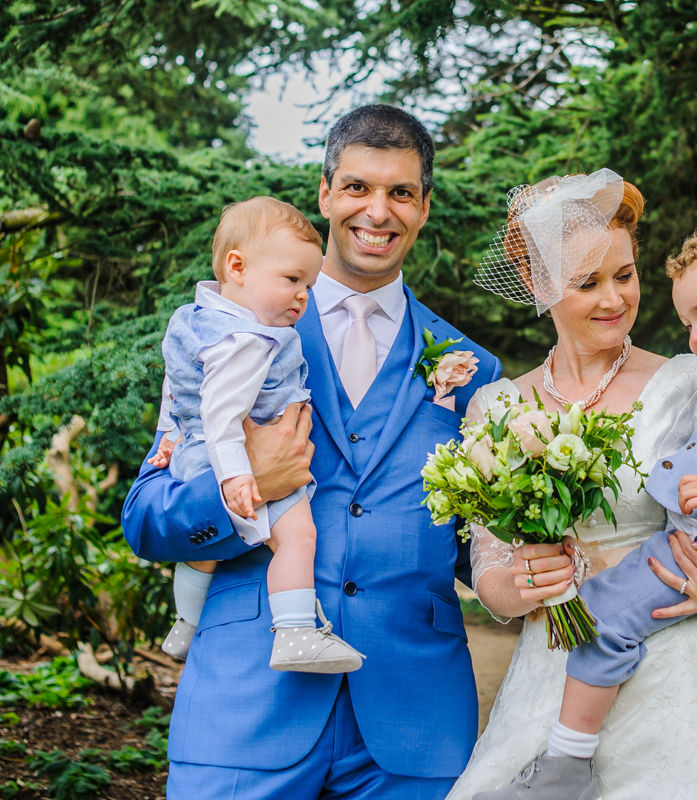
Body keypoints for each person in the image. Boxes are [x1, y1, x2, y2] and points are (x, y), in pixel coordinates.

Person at [122, 105, 502, 799]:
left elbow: (479, 551)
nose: (377, 211)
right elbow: (148, 517)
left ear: (424, 208)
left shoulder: (472, 368)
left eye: (401, 193)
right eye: (357, 187)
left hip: (413, 734)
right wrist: (249, 485)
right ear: (325, 193)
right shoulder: (223, 338)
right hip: (245, 712)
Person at [447, 170, 697, 800]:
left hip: (690, 666)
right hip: (559, 667)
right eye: (587, 282)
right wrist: (521, 582)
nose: (614, 299)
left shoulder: (693, 380)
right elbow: (487, 569)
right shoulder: (496, 408)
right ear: (537, 285)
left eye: (625, 275)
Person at [151, 196, 364, 674]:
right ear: (237, 266)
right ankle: (294, 633)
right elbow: (223, 415)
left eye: (308, 284)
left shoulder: (191, 320)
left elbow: (179, 387)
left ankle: (185, 622)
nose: (303, 296)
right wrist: (237, 477)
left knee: (201, 558)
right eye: (292, 280)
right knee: (296, 535)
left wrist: (170, 435)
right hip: (238, 465)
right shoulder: (248, 340)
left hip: (193, 454)